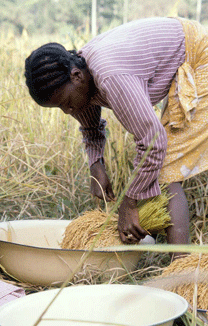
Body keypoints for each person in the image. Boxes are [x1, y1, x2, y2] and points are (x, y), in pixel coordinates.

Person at [24, 17, 208, 252]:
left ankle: (180, 268)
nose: (68, 111)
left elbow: (153, 142)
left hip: (198, 55)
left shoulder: (110, 76)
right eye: (60, 108)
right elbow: (89, 122)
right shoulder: (81, 77)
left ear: (76, 76)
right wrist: (95, 164)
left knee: (167, 170)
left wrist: (128, 204)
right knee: (159, 170)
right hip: (182, 44)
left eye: (66, 103)